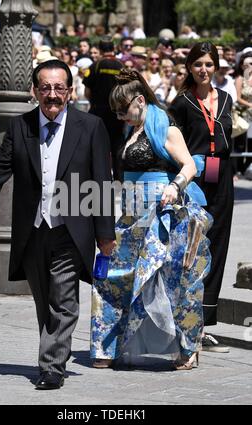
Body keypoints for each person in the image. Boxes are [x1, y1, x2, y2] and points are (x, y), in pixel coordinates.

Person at [0, 60, 116, 390]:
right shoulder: (21, 125)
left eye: (59, 88)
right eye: (46, 88)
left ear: (70, 91)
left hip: (71, 226)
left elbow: (101, 180)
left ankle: (51, 366)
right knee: (44, 298)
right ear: (34, 91)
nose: (53, 95)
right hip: (33, 228)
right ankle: (55, 352)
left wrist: (105, 233)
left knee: (63, 299)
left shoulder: (90, 126)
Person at [91, 68, 213, 370]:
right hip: (131, 215)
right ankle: (107, 346)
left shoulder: (166, 128)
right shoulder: (130, 132)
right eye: (117, 113)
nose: (121, 117)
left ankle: (189, 348)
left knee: (175, 281)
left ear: (140, 101)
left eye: (124, 110)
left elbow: (189, 166)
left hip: (164, 214)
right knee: (113, 276)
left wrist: (174, 187)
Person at [169, 42, 234, 353]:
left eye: (209, 64)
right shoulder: (181, 102)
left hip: (221, 177)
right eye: (198, 65)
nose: (204, 70)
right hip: (194, 178)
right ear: (189, 68)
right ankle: (185, 319)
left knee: (218, 245)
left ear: (216, 66)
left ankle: (205, 323)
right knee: (193, 247)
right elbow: (172, 143)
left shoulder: (227, 99)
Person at [83, 37, 124, 180]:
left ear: (100, 50)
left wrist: (95, 102)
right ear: (114, 48)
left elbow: (87, 92)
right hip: (118, 115)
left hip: (97, 113)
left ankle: (101, 179)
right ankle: (119, 180)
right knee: (117, 147)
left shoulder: (95, 66)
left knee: (99, 147)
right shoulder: (122, 66)